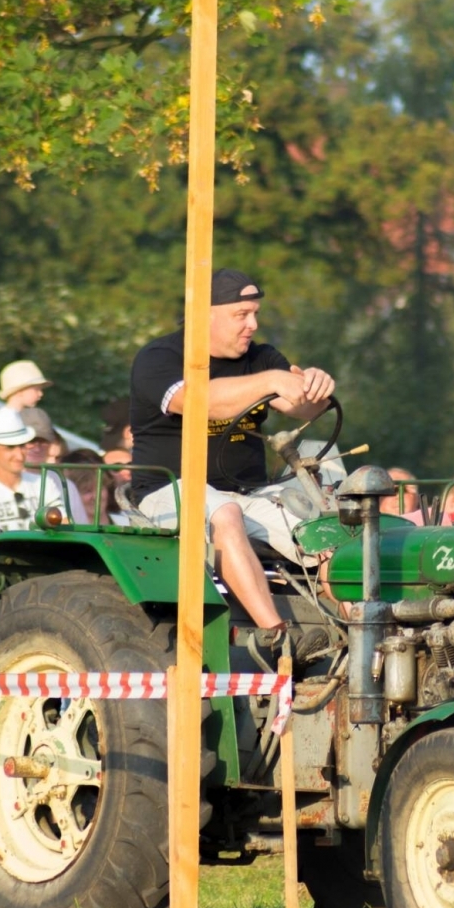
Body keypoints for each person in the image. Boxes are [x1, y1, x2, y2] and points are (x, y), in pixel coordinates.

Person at [129, 269, 336, 648]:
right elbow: (194, 401)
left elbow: (302, 409)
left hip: (248, 493)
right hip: (166, 492)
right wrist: (272, 381)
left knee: (327, 528)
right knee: (224, 513)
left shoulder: (261, 358)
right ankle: (277, 636)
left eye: (255, 313)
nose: (252, 324)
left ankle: (352, 628)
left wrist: (315, 386)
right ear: (203, 315)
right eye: (241, 315)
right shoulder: (159, 357)